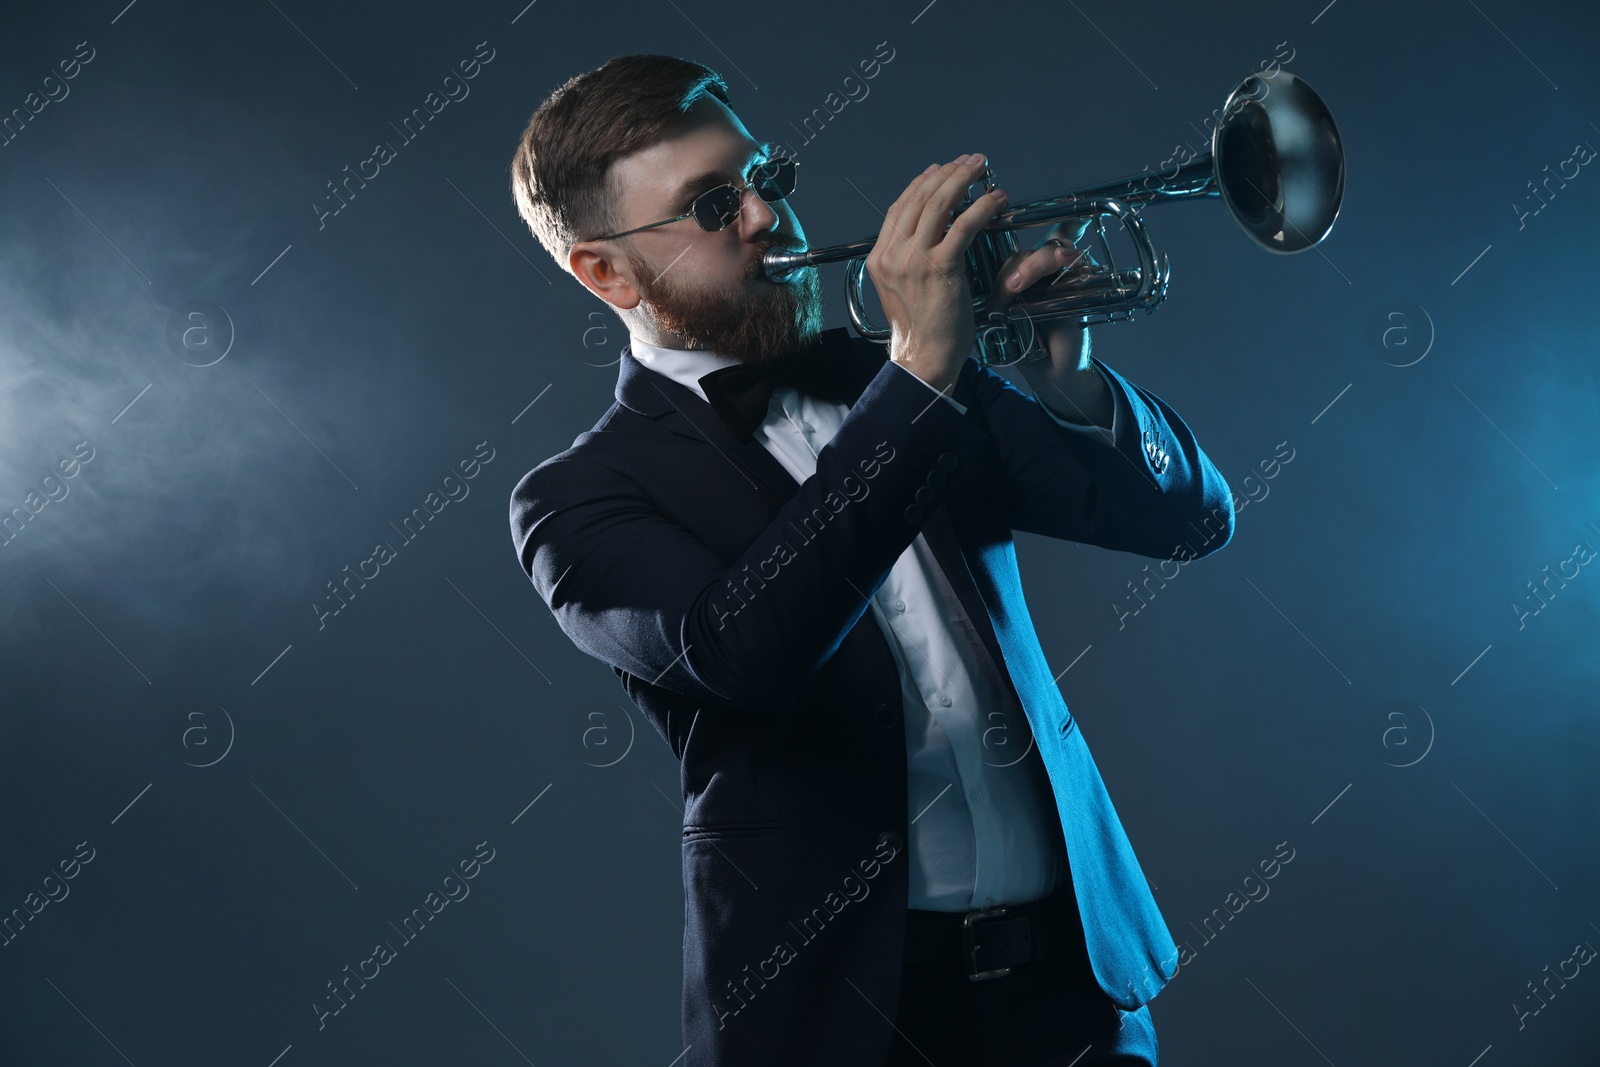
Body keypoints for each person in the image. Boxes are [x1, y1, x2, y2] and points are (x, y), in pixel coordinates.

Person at [506, 54, 1235, 1067]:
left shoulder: (897, 379)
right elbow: (747, 647)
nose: (765, 215)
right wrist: (922, 374)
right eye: (714, 205)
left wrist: (1067, 376)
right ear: (605, 270)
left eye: (766, 177)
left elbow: (1188, 525)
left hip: (1075, 990)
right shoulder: (576, 498)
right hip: (843, 1017)